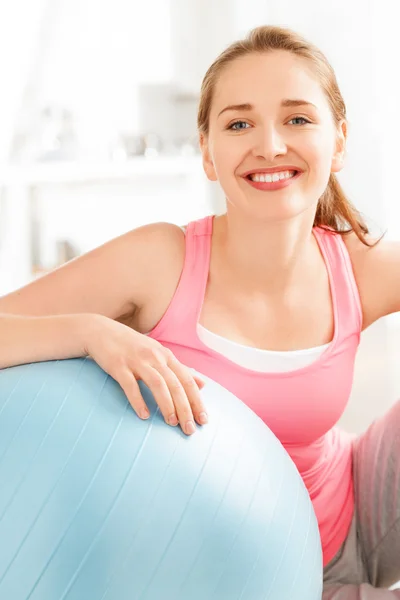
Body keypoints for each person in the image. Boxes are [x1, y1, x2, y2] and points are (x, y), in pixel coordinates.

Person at [1, 24, 400, 598]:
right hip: (233, 573)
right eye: (239, 123)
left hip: (357, 512)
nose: (269, 145)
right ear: (208, 153)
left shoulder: (359, 265)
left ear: (338, 142)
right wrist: (88, 331)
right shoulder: (158, 261)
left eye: (297, 119)